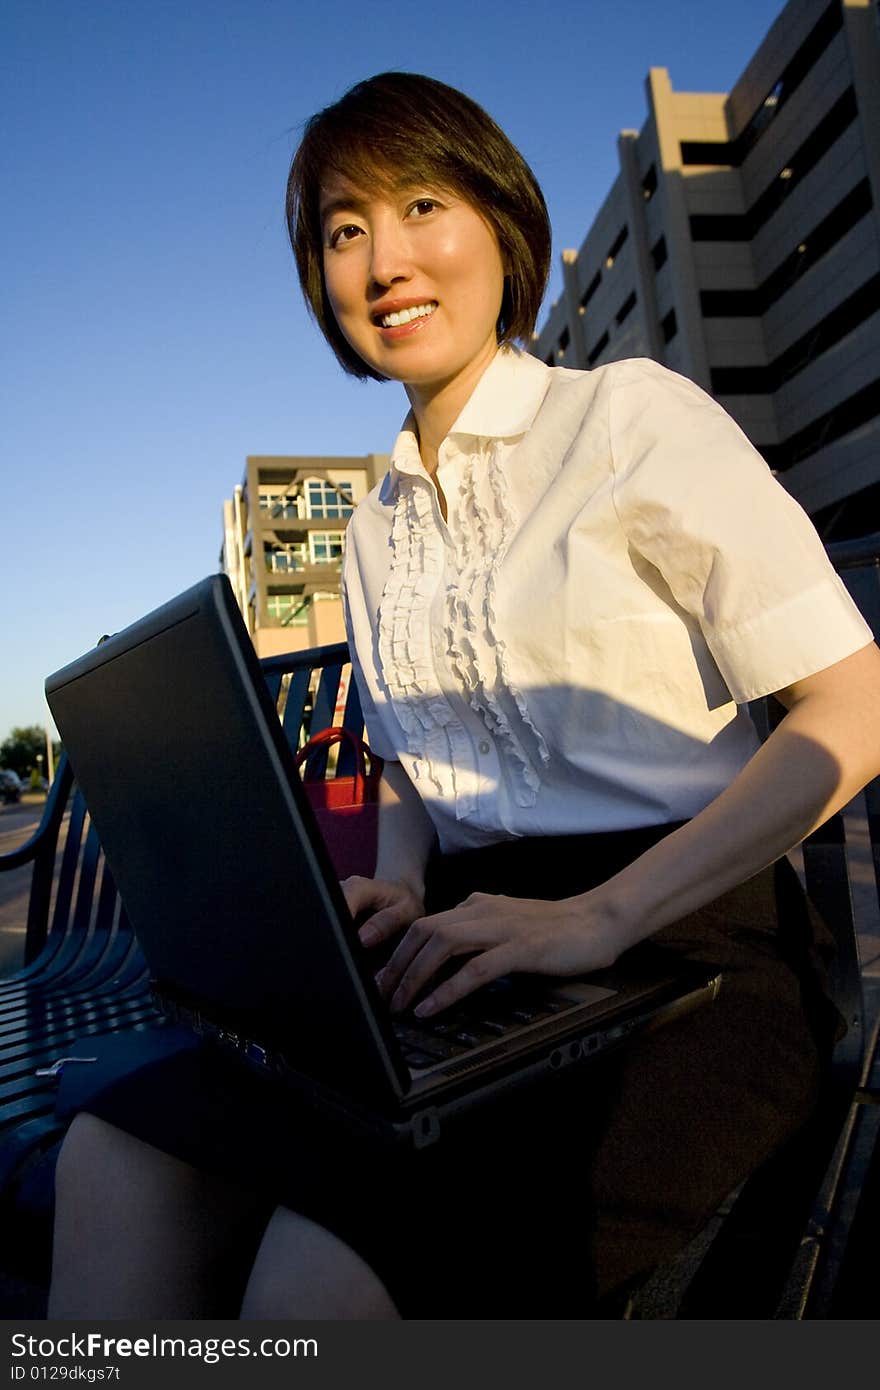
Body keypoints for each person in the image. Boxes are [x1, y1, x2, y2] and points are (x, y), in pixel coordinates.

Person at [48, 71, 880, 1320]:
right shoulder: (368, 528)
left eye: (421, 204)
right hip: (468, 955)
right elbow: (403, 764)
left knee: (313, 1280)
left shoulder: (626, 416)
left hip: (687, 951)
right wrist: (389, 876)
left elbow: (850, 707)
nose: (385, 258)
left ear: (501, 225)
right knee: (115, 1154)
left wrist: (600, 916)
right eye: (343, 229)